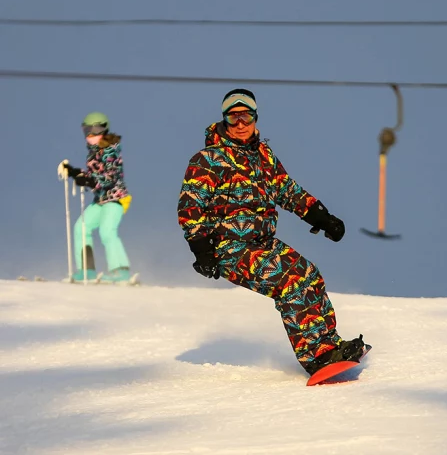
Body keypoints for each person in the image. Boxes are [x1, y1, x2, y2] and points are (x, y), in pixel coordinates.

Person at [177, 88, 368, 376]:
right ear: (224, 121)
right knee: (289, 282)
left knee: (309, 275)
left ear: (255, 118)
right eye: (233, 118)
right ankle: (316, 357)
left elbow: (286, 190)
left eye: (246, 116)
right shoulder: (209, 159)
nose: (241, 124)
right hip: (229, 247)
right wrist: (202, 250)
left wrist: (322, 217)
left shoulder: (263, 155)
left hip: (263, 242)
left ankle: (330, 346)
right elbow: (190, 207)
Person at [59, 112, 133, 283]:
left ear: (104, 130)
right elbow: (93, 174)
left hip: (115, 199)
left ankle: (120, 271)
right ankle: (87, 270)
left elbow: (110, 176)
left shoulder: (110, 149)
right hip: (100, 200)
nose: (91, 135)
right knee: (81, 228)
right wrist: (74, 172)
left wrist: (90, 181)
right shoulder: (93, 152)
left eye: (95, 130)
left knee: (107, 231)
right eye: (87, 131)